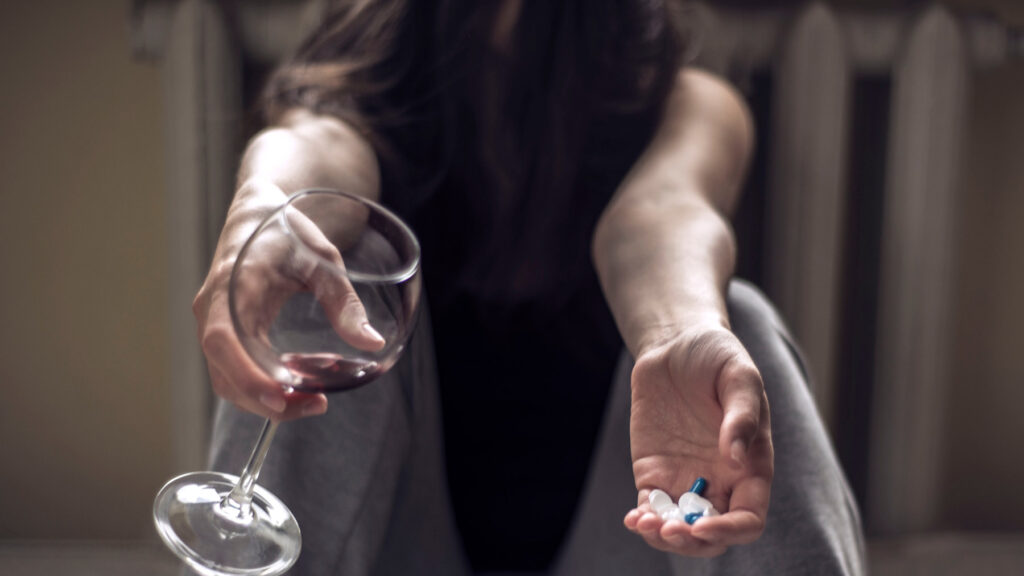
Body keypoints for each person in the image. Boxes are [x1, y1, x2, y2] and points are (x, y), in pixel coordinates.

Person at [193, 1, 865, 574]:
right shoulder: (376, 76)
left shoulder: (686, 100)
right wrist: (267, 207)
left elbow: (660, 216)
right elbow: (317, 149)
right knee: (320, 264)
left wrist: (682, 333)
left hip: (625, 547)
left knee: (732, 327)